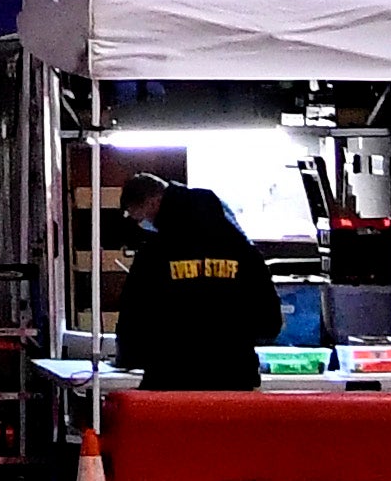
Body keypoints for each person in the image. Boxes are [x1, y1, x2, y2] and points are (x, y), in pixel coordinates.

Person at [109, 168, 276, 394]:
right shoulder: (239, 246)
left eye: (142, 217)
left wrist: (128, 356)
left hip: (172, 380)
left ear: (152, 202)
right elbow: (269, 319)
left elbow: (134, 316)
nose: (144, 223)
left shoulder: (155, 254)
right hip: (235, 378)